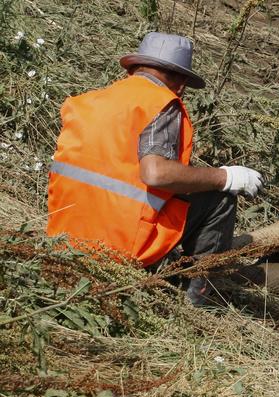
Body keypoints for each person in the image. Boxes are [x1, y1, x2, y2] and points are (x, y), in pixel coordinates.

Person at [47, 32, 263, 304]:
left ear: (134, 68)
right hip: (119, 244)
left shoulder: (88, 101)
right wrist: (225, 177)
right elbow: (156, 173)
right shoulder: (160, 103)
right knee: (220, 198)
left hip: (65, 237)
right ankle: (202, 303)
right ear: (182, 82)